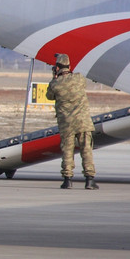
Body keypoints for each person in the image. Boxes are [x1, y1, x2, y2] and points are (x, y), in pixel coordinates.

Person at [46, 53, 98, 189]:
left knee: (67, 151)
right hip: (83, 122)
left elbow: (49, 96)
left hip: (66, 124)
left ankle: (67, 180)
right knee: (86, 150)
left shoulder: (55, 84)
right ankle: (89, 180)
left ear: (57, 67)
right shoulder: (79, 78)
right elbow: (81, 84)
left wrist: (54, 77)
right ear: (69, 66)